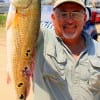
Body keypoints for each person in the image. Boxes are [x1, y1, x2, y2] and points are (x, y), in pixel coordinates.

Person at [32, 0, 100, 100]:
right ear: (53, 17)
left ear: (85, 18)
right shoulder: (40, 40)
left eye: (76, 14)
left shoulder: (98, 51)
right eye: (63, 14)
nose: (70, 21)